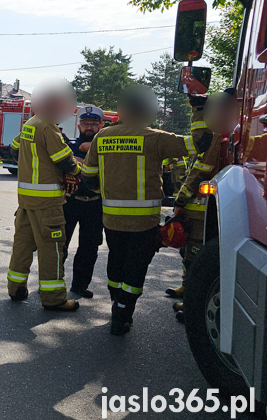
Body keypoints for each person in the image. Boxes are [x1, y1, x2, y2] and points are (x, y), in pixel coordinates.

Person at [81, 84, 211, 336]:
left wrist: (109, 190)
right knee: (136, 267)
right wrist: (198, 108)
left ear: (121, 110)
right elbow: (200, 143)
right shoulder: (155, 138)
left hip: (111, 220)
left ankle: (116, 305)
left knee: (116, 263)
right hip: (144, 222)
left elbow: (88, 177)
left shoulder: (102, 136)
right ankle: (123, 312)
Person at [8, 79, 82, 312]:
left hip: (26, 202)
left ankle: (15, 288)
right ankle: (54, 299)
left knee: (22, 245)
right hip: (47, 203)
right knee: (52, 250)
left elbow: (14, 148)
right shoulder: (48, 127)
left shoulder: (31, 123)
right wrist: (79, 172)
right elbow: (64, 160)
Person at [166, 89, 236, 317]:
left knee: (195, 255)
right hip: (201, 208)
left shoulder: (218, 135)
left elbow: (200, 170)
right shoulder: (219, 132)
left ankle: (192, 305)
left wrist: (181, 199)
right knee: (189, 253)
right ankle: (187, 290)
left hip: (201, 209)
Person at [61, 106, 105, 298]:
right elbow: (61, 165)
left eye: (93, 124)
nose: (89, 127)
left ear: (100, 126)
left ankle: (80, 285)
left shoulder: (107, 148)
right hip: (70, 202)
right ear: (79, 125)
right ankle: (53, 282)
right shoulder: (68, 145)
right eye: (86, 123)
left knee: (89, 247)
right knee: (60, 244)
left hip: (95, 204)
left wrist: (83, 160)